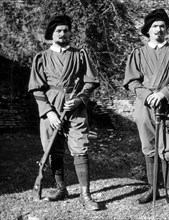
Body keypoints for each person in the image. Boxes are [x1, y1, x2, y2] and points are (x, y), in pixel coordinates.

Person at [28, 15, 100, 211]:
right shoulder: (41, 57)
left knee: (80, 147)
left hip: (75, 108)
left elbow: (90, 81)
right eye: (59, 30)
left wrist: (79, 99)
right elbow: (36, 88)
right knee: (52, 149)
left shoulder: (79, 54)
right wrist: (48, 112)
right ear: (51, 34)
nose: (63, 33)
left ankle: (86, 195)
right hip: (51, 108)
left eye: (66, 30)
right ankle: (61, 188)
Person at [123, 8, 169, 210]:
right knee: (149, 145)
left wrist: (164, 93)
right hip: (145, 105)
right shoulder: (138, 53)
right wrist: (147, 95)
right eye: (155, 26)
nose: (159, 29)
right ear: (148, 30)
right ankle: (153, 188)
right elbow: (132, 81)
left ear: (166, 29)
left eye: (162, 26)